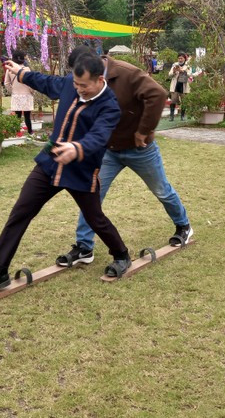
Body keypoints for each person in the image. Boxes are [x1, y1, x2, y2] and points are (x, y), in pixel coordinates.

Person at [0, 53, 132, 302]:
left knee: (95, 218)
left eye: (84, 86)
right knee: (20, 212)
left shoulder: (110, 106)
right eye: (76, 85)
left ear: (99, 80)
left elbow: (99, 136)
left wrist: (76, 149)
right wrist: (21, 72)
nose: (79, 90)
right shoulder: (69, 84)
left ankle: (121, 254)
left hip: (81, 169)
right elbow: (44, 81)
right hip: (50, 162)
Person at [56, 45, 193, 268]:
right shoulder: (87, 82)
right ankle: (84, 247)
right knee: (91, 195)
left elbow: (157, 94)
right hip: (109, 150)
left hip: (141, 149)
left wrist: (144, 130)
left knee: (161, 190)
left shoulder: (127, 73)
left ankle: (183, 226)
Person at [4, 50, 34, 134]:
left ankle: (17, 132)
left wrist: (12, 90)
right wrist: (32, 91)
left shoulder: (9, 70)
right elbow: (31, 82)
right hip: (27, 94)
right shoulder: (27, 69)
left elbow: (6, 83)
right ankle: (30, 131)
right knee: (27, 116)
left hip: (16, 94)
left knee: (17, 115)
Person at [168, 53, 191, 121]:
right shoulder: (175, 65)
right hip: (175, 85)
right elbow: (169, 74)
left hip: (183, 85)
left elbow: (190, 74)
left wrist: (183, 71)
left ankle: (182, 116)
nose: (180, 60)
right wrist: (174, 71)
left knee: (184, 102)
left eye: (181, 58)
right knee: (173, 101)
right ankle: (171, 116)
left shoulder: (188, 66)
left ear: (184, 59)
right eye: (179, 58)